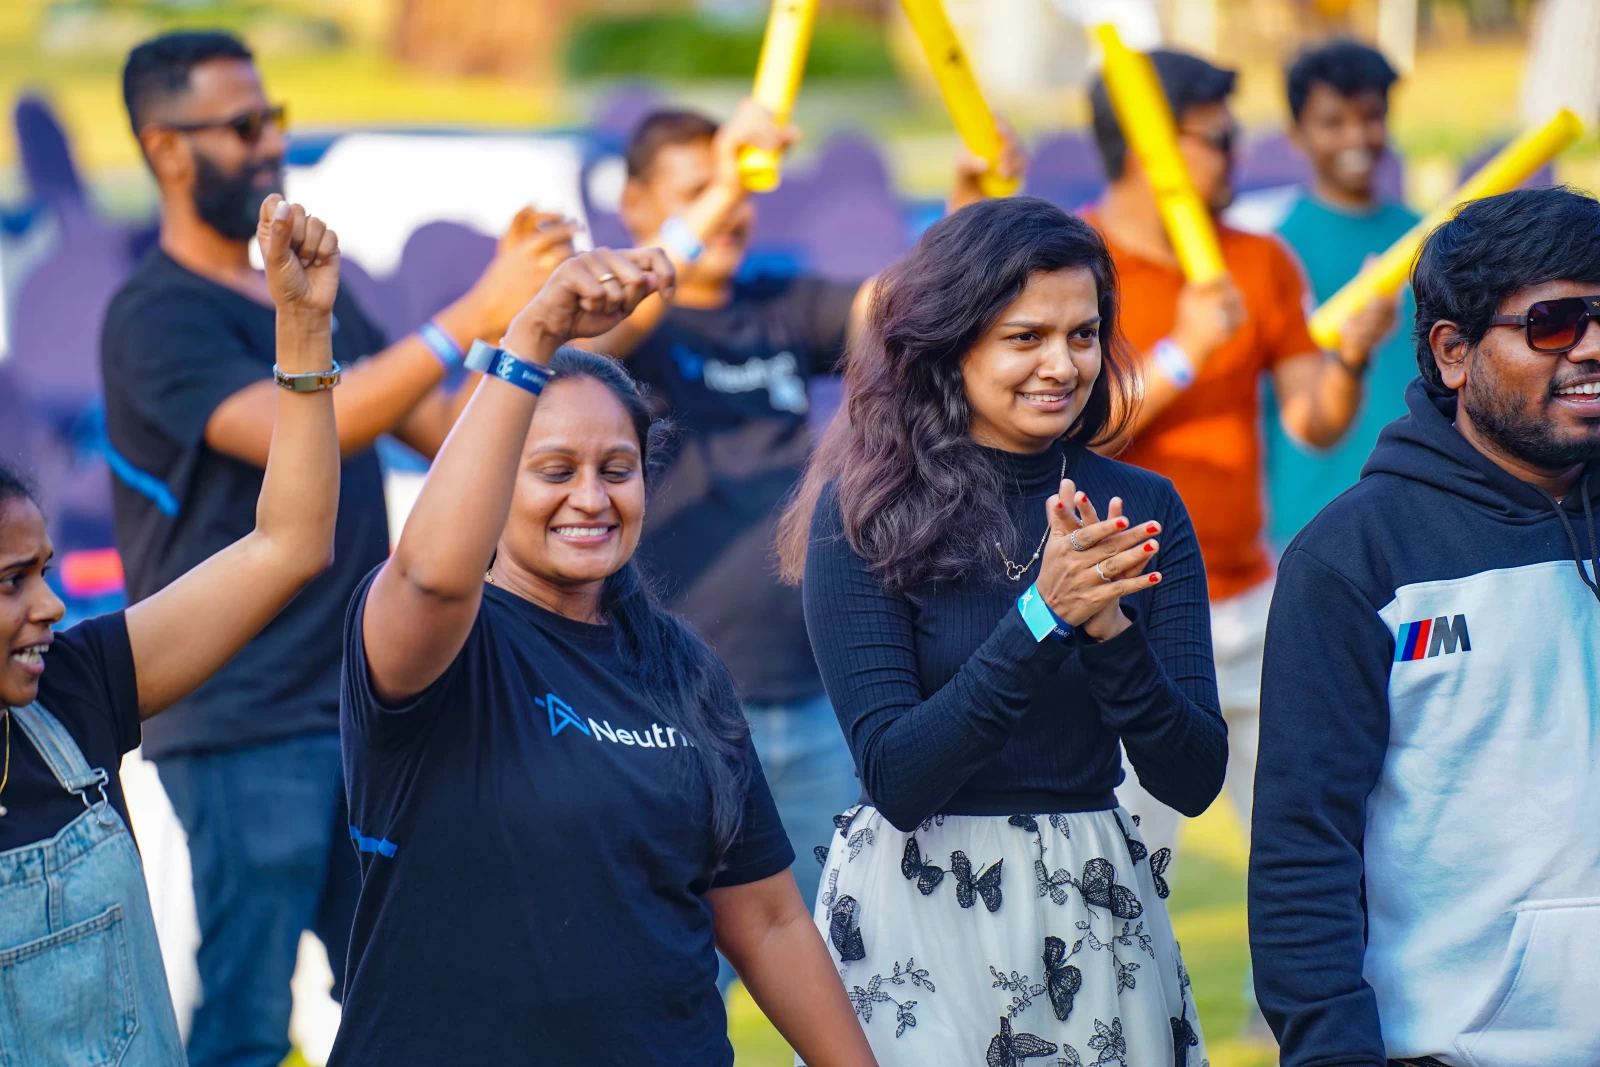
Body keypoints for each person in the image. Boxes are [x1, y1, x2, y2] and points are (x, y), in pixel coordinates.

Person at [100, 31, 576, 1066]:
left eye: (273, 118)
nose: (271, 144)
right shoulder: (153, 318)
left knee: (416, 992)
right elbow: (309, 420)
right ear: (167, 150)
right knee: (243, 1025)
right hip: (241, 716)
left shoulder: (311, 283)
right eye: (242, 125)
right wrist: (469, 312)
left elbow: (435, 418)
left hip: (367, 704)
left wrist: (541, 325)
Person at [332, 244, 878, 1067]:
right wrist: (533, 332)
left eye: (616, 469)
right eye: (554, 470)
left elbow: (767, 920)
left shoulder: (686, 668)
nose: (591, 497)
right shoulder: (445, 642)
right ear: (492, 483)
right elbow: (429, 575)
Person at [776, 196, 1225, 1066]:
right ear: (952, 347)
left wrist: (1109, 634)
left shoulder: (1143, 508)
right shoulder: (863, 514)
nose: (1063, 364)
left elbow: (1194, 774)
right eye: (1026, 337)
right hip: (918, 910)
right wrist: (1041, 615)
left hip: (1091, 902)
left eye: (1084, 334)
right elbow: (900, 776)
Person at [582, 99, 1025, 936]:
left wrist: (965, 217)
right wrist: (724, 180)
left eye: (743, 184)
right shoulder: (623, 317)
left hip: (818, 699)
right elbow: (601, 330)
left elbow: (904, 317)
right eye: (702, 188)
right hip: (680, 702)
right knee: (675, 971)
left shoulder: (779, 298)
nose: (732, 206)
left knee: (863, 962)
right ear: (635, 205)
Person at [1251, 186, 1600, 1066]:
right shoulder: (1353, 561)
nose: (1592, 348)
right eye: (1554, 322)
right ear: (1453, 352)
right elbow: (1303, 853)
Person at [0, 195, 340, 1066]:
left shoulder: (74, 693)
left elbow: (289, 544)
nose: (48, 606)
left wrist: (302, 330)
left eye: (43, 572)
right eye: (10, 584)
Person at [1081, 49, 1393, 867]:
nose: (1235, 155)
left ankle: (1283, 1003)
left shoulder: (1255, 260)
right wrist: (1182, 351)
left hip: (1249, 596)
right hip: (1125, 605)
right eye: (1216, 138)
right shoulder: (1071, 260)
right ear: (1155, 151)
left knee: (1304, 848)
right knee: (1126, 868)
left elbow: (1311, 421)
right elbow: (1080, 429)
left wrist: (1353, 358)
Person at [1264, 40, 1415, 548]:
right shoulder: (1273, 251)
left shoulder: (1430, 240)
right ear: (1296, 134)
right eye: (1333, 121)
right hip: (1311, 517)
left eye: (1371, 116)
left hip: (1417, 505)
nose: (1356, 135)